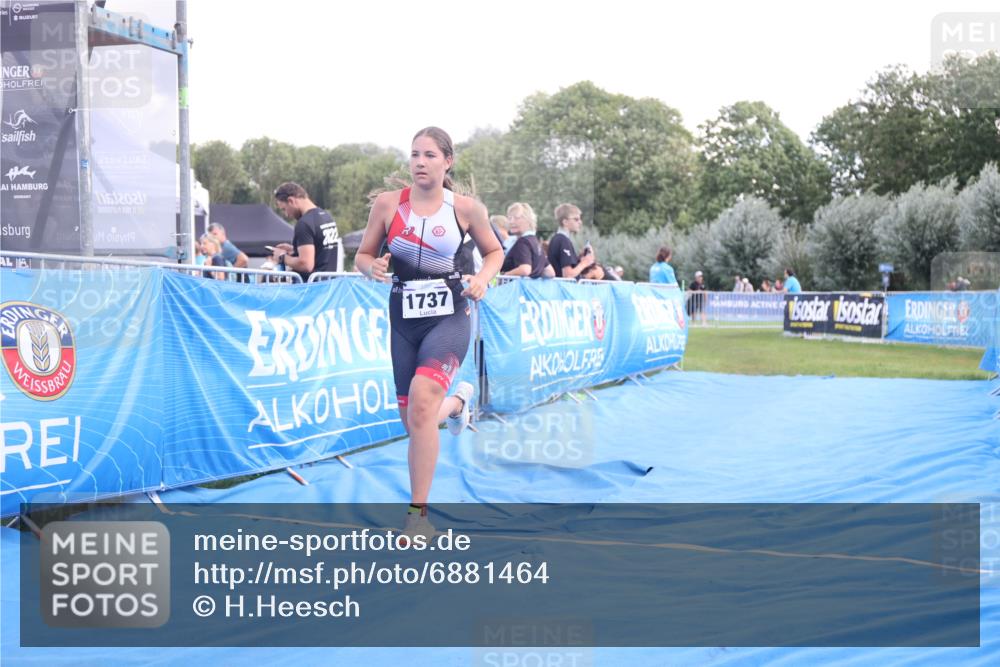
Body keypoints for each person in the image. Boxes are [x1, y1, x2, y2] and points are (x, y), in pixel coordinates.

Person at [355, 127, 503, 540]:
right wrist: (373, 268)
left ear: (447, 162)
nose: (420, 161)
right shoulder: (388, 206)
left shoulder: (466, 209)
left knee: (421, 404)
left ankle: (418, 517)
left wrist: (483, 279)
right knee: (415, 421)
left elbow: (494, 252)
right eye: (415, 154)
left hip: (450, 316)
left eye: (430, 155)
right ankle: (457, 405)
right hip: (404, 319)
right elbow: (362, 256)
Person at [271, 182, 340, 282]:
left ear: (291, 201)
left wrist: (282, 257)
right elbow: (322, 251)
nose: (287, 214)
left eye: (284, 209)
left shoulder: (304, 224)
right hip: (328, 287)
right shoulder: (326, 217)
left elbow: (306, 264)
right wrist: (295, 250)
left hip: (310, 290)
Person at [501, 202, 554, 278]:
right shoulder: (536, 242)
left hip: (517, 288)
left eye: (516, 218)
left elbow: (525, 270)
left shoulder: (523, 242)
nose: (511, 222)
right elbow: (550, 272)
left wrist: (504, 275)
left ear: (528, 220)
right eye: (509, 218)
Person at [547, 203, 595, 279]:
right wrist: (585, 262)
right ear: (565, 222)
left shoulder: (558, 239)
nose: (580, 222)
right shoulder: (563, 240)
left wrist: (579, 259)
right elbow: (568, 275)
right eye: (576, 219)